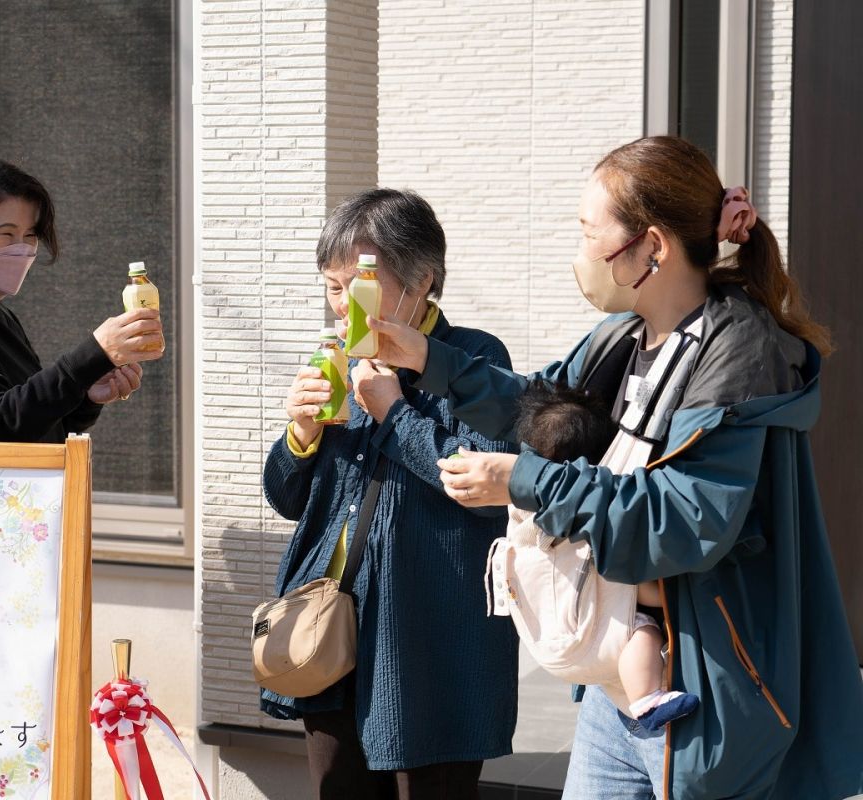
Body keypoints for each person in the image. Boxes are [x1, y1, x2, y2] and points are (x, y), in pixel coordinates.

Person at [368, 136, 863, 799]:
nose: (581, 255)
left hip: (705, 682)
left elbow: (684, 519)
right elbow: (535, 408)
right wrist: (428, 358)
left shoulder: (740, 355)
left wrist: (519, 480)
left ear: (650, 248)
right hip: (620, 678)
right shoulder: (623, 337)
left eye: (588, 234)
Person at [262, 189, 519, 800]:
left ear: (422, 280)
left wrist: (393, 412)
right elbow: (288, 499)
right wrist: (299, 435)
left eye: (362, 284)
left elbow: (480, 487)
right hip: (332, 629)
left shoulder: (476, 359)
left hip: (431, 634)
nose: (344, 303)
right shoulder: (336, 360)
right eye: (332, 286)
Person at [0, 152, 163, 442]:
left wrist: (86, 396)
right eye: (6, 234)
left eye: (30, 235)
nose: (21, 248)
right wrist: (90, 357)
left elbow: (33, 428)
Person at [511, 379, 698, 731]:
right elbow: (643, 592)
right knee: (642, 633)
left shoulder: (525, 513)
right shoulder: (596, 518)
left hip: (547, 639)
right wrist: (669, 596)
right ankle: (646, 700)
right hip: (597, 642)